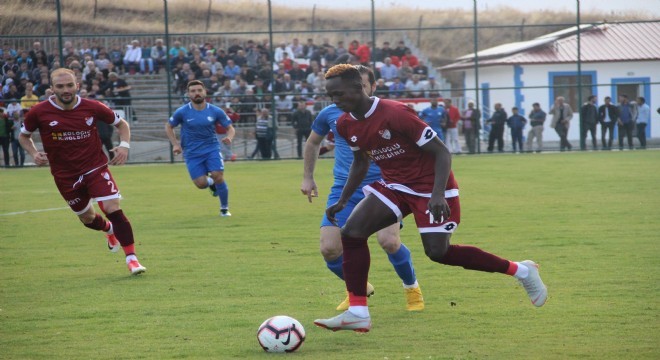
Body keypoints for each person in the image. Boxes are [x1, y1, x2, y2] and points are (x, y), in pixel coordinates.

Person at [313, 64, 547, 332]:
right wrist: (343, 200)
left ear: (358, 88)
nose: (335, 101)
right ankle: (358, 311)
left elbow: (442, 152)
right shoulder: (344, 123)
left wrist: (438, 194)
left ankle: (522, 270)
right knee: (352, 233)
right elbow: (360, 162)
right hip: (395, 185)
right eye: (331, 96)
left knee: (439, 252)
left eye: (339, 94)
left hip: (431, 186)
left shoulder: (396, 113)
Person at [301, 63, 425, 313]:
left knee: (388, 241)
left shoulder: (389, 112)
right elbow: (313, 142)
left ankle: (411, 287)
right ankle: (358, 289)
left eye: (362, 86)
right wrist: (308, 177)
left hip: (387, 185)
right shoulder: (331, 114)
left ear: (371, 87)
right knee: (329, 248)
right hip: (344, 188)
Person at [18, 68, 146, 275]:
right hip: (64, 175)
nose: (66, 90)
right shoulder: (39, 112)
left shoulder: (93, 107)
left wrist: (124, 145)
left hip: (95, 167)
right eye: (60, 86)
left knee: (113, 207)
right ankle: (109, 230)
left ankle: (132, 259)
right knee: (87, 218)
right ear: (52, 89)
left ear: (77, 85)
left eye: (70, 85)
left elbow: (121, 124)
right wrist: (33, 153)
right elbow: (24, 136)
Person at [166, 80, 235, 217]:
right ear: (188, 94)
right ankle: (210, 183)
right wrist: (175, 144)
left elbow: (230, 127)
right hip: (192, 153)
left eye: (199, 90)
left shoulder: (215, 110)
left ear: (205, 92)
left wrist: (230, 137)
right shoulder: (182, 112)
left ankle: (224, 209)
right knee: (201, 183)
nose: (196, 93)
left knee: (218, 175)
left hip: (212, 149)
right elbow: (169, 126)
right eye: (193, 91)